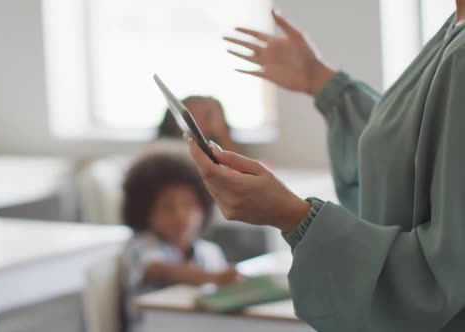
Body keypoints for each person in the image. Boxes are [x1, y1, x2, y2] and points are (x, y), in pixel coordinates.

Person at [185, 5, 465, 331]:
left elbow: (442, 277)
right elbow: (412, 157)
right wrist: (321, 81)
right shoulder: (454, 25)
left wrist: (292, 215)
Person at [120, 152, 239, 332]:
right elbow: (159, 270)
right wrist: (212, 278)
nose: (180, 215)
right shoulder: (142, 245)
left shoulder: (208, 252)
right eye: (167, 207)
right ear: (144, 211)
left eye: (189, 204)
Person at [158, 95, 241, 153]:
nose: (214, 120)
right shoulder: (167, 148)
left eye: (208, 116)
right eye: (208, 115)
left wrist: (221, 133)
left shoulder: (216, 146)